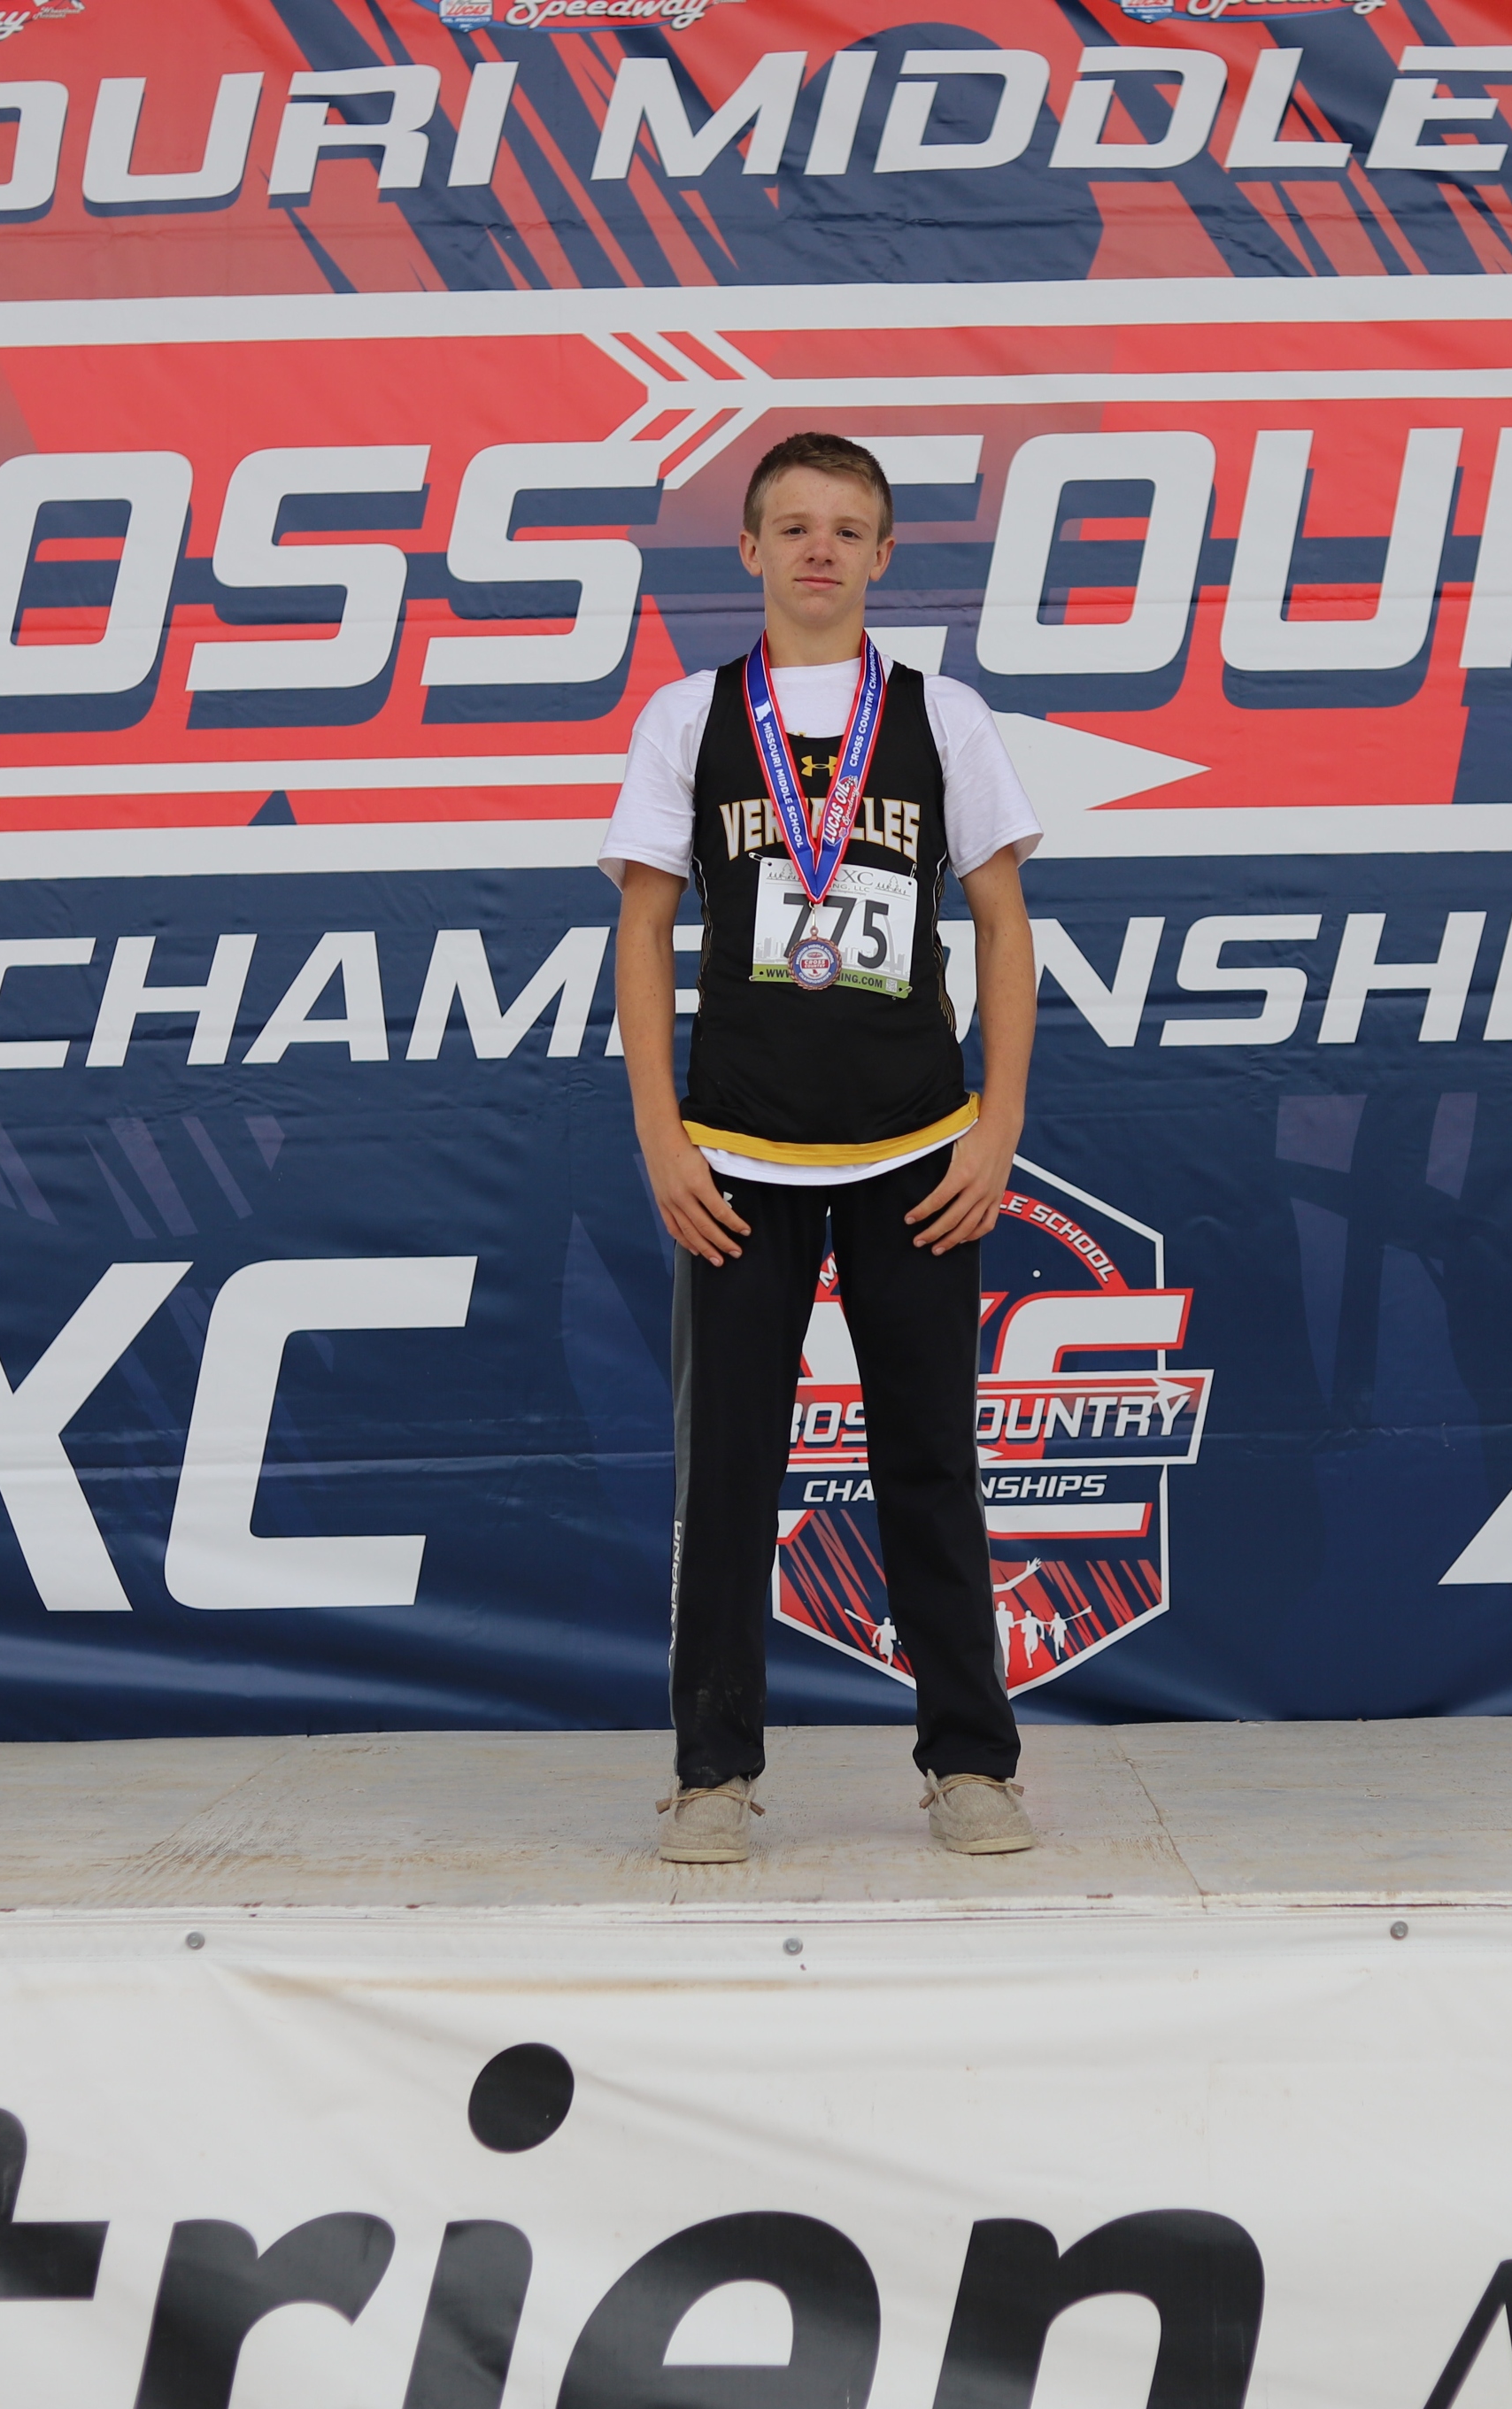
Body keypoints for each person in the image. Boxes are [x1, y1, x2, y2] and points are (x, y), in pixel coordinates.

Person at [599, 430, 1042, 1864]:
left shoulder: (940, 717)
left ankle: (969, 1760)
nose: (817, 550)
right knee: (730, 1466)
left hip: (915, 1143)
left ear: (882, 553)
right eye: (791, 526)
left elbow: (1001, 924)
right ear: (747, 549)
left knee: (929, 1455)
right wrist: (661, 1135)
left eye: (846, 529)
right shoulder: (685, 716)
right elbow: (645, 929)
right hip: (735, 1149)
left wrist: (998, 1127)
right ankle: (713, 1773)